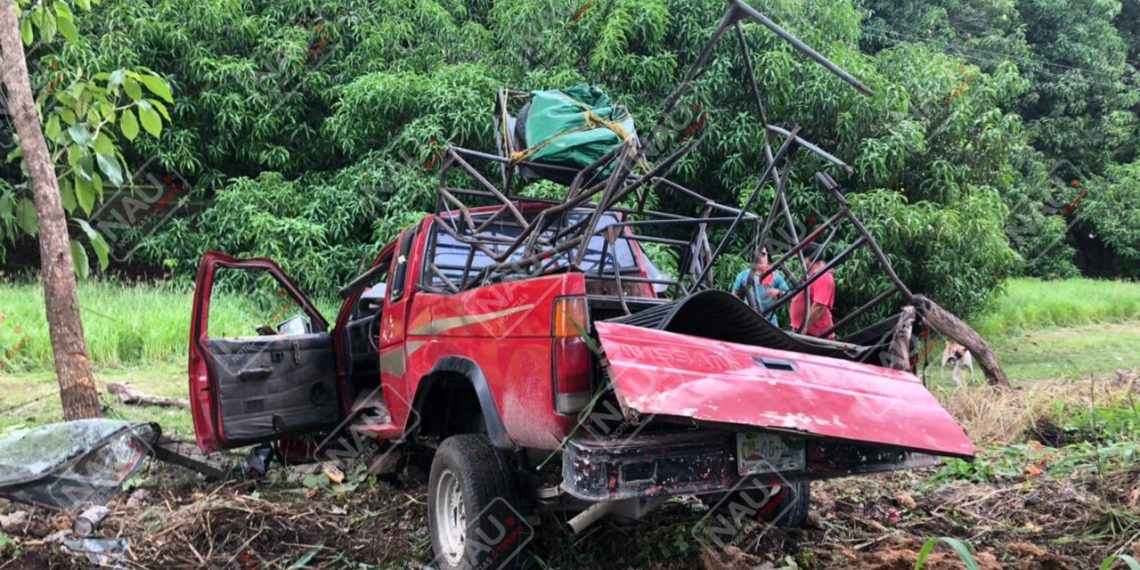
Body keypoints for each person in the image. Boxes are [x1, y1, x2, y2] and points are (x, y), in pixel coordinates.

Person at [789, 243, 836, 339]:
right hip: (805, 332)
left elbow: (819, 307)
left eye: (802, 259)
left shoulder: (823, 277)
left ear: (808, 259)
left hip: (816, 335)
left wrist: (804, 326)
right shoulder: (812, 275)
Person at [732, 248, 789, 326]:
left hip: (770, 320)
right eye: (757, 255)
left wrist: (778, 292)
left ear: (767, 256)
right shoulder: (743, 275)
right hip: (747, 319)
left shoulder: (776, 277)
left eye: (763, 254)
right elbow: (735, 294)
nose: (760, 258)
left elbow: (789, 294)